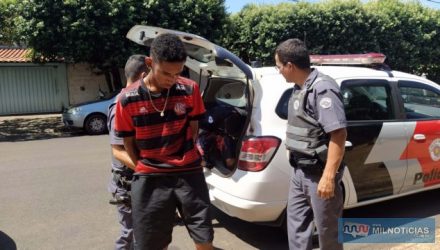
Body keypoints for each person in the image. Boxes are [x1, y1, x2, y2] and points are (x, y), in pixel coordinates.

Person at [114, 33, 214, 250]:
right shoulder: (126, 99)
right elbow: (128, 142)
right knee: (152, 243)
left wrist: (184, 155)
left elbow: (194, 128)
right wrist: (144, 165)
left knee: (204, 238)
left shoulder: (189, 89)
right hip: (151, 178)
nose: (172, 79)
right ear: (150, 64)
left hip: (189, 173)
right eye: (166, 73)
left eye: (178, 73)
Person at [274, 39, 347, 250]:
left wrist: (328, 177)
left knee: (328, 233)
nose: (278, 71)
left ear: (290, 65)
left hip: (319, 174)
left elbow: (339, 134)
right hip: (300, 172)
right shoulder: (299, 88)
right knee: (296, 230)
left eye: (279, 66)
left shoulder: (322, 88)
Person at [108, 54, 148, 250]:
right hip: (127, 184)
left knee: (143, 233)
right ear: (143, 76)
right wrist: (151, 170)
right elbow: (118, 152)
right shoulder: (120, 105)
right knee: (129, 235)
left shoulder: (137, 101)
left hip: (138, 180)